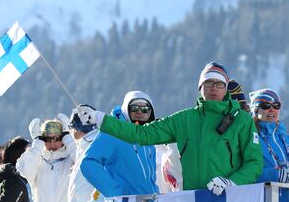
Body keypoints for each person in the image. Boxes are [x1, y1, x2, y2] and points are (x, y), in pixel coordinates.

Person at [73, 61, 263, 194]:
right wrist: (100, 118)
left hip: (231, 201)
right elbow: (142, 134)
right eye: (208, 83)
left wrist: (232, 182)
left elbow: (254, 163)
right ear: (200, 87)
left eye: (219, 84)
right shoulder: (184, 119)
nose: (214, 88)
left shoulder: (242, 121)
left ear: (226, 88)